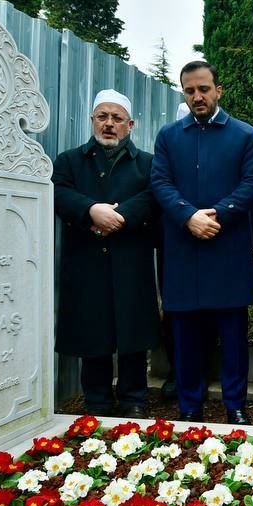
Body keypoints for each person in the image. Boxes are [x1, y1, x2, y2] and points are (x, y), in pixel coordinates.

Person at [151, 60, 253, 425]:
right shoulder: (168, 136)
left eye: (204, 89)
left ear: (218, 90)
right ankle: (189, 405)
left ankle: (235, 404)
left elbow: (249, 185)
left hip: (226, 247)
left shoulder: (244, 135)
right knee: (185, 335)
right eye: (190, 90)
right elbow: (161, 183)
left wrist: (215, 214)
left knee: (232, 334)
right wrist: (188, 216)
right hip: (184, 249)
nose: (197, 96)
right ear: (183, 92)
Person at [52, 90, 160, 418]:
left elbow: (154, 194)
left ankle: (134, 398)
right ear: (92, 121)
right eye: (102, 117)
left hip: (131, 259)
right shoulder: (69, 160)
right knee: (92, 328)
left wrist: (120, 216)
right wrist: (91, 210)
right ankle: (96, 400)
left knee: (132, 330)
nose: (109, 124)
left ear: (130, 125)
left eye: (116, 118)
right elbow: (57, 191)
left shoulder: (148, 163)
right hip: (87, 259)